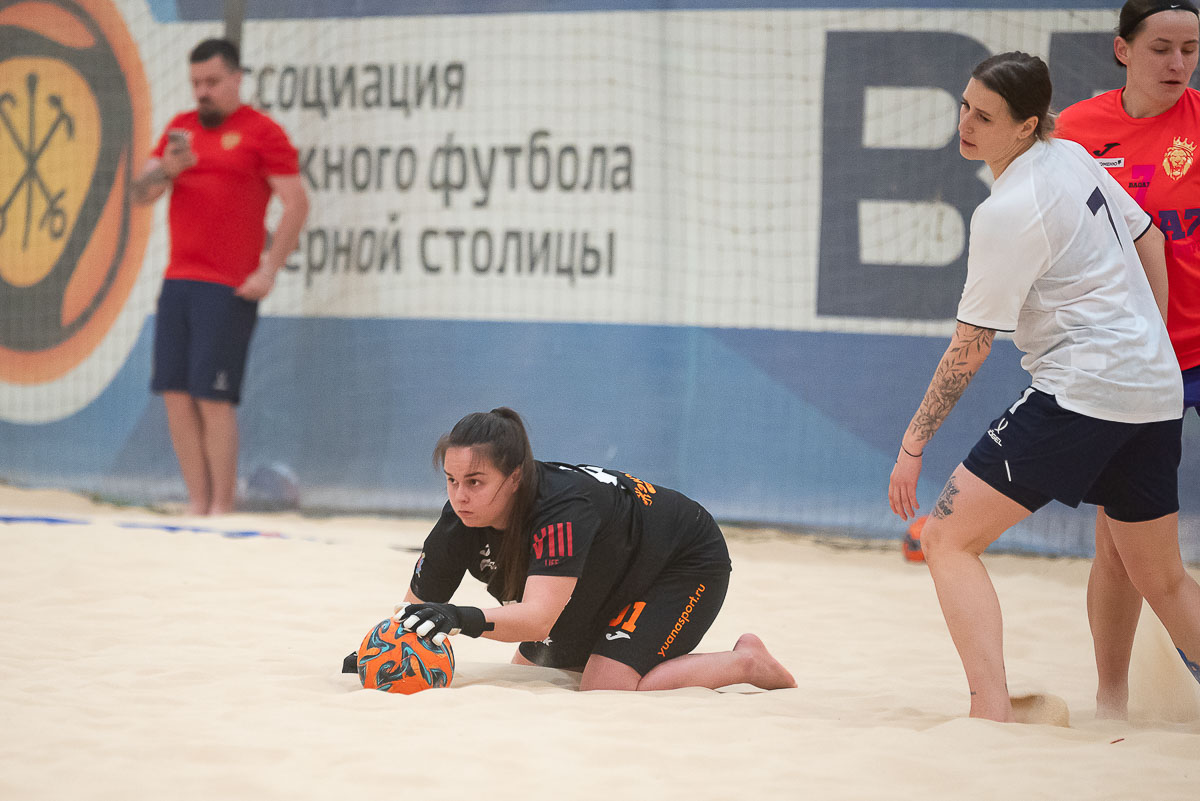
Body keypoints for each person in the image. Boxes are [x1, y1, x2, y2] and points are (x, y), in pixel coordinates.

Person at [887, 51, 1200, 722]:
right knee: (1164, 580)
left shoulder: (1008, 209)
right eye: (965, 105)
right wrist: (1150, 339)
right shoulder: (1074, 156)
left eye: (985, 116)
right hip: (1154, 388)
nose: (966, 124)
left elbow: (970, 347)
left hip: (1083, 392)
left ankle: (990, 714)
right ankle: (1109, 704)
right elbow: (1148, 237)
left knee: (945, 538)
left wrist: (913, 444)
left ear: (1027, 125)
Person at [347, 407, 796, 692]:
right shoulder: (460, 518)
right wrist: (383, 649)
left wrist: (459, 617)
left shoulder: (561, 510)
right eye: (451, 480)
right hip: (607, 570)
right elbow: (416, 608)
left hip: (679, 560)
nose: (460, 495)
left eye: (475, 482)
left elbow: (537, 618)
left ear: (516, 477)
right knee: (533, 675)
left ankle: (746, 662)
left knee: (606, 686)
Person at [1054, 0, 1200, 719]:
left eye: (1191, 49)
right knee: (1117, 545)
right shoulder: (1075, 132)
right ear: (1122, 50)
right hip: (1133, 362)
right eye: (1162, 48)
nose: (1178, 63)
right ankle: (1112, 698)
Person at [131, 38, 309, 515]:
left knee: (212, 397)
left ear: (236, 78)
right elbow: (139, 194)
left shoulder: (262, 132)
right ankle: (198, 503)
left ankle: (221, 508)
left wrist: (268, 271)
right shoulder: (181, 130)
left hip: (227, 286)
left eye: (212, 81)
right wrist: (167, 170)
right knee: (175, 395)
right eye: (196, 83)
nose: (203, 91)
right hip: (178, 280)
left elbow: (296, 204)